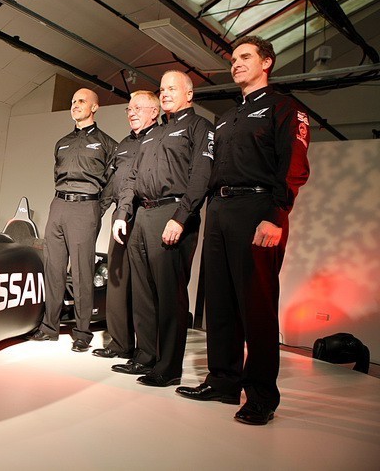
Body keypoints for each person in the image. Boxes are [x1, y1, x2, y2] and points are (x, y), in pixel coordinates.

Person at [176, 36, 310, 425]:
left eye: (245, 57)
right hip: (220, 210)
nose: (235, 63)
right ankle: (222, 381)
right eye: (233, 59)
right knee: (219, 301)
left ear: (266, 62)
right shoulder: (227, 116)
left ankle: (262, 395)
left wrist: (276, 213)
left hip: (258, 209)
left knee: (257, 305)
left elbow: (294, 164)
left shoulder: (284, 107)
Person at [111, 73, 214, 387]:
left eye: (172, 88)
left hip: (173, 212)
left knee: (170, 295)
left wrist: (181, 217)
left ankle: (168, 368)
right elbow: (132, 178)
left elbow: (202, 175)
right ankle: (146, 356)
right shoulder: (153, 134)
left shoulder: (199, 127)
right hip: (143, 214)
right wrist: (123, 214)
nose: (165, 93)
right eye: (162, 88)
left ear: (189, 93)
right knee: (142, 292)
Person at [29, 88, 117, 352]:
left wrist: (97, 209)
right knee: (53, 268)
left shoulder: (106, 143)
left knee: (81, 272)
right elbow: (57, 174)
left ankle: (82, 333)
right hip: (59, 205)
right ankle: (50, 327)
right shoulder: (62, 142)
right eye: (73, 101)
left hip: (85, 208)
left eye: (81, 101)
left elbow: (112, 182)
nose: (75, 105)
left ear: (94, 107)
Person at [92, 92, 160, 359]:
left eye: (137, 108)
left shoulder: (160, 138)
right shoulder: (123, 144)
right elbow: (112, 183)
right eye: (129, 109)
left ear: (154, 111)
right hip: (120, 218)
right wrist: (98, 213)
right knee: (117, 278)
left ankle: (147, 350)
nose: (131, 113)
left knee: (145, 286)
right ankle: (120, 344)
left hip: (146, 213)